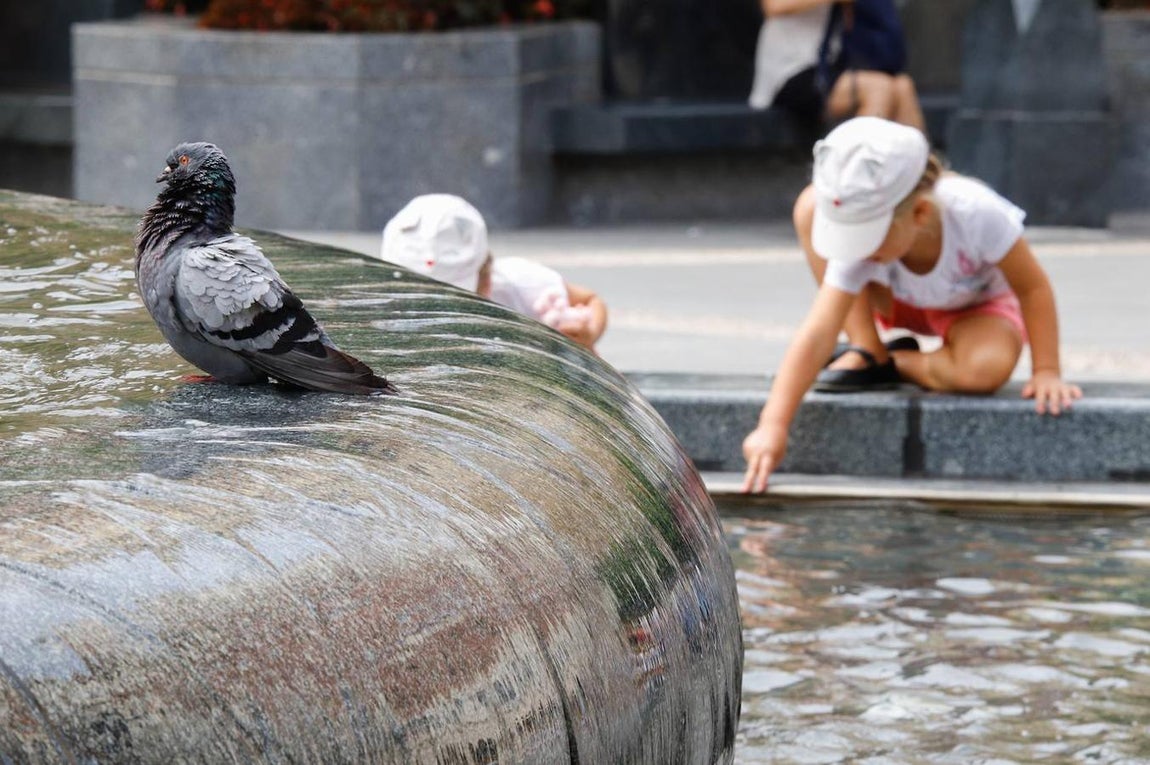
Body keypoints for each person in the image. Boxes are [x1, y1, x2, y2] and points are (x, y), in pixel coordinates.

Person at [741, 116, 1082, 493]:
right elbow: (819, 328)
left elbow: (1032, 288)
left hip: (974, 308)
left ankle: (894, 363)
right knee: (809, 206)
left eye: (866, 236)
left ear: (919, 214)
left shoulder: (976, 213)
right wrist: (773, 424)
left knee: (984, 370)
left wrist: (1046, 369)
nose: (855, 250)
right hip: (893, 302)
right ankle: (867, 348)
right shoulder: (868, 245)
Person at [380, 194, 608, 350]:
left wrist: (589, 332)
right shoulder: (382, 315)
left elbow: (591, 300)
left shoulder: (522, 285)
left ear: (487, 276)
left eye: (457, 302)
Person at [748, 0, 925, 133]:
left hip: (834, 66)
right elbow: (773, 6)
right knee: (879, 88)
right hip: (791, 71)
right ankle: (856, 174)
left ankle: (925, 176)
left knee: (903, 85)